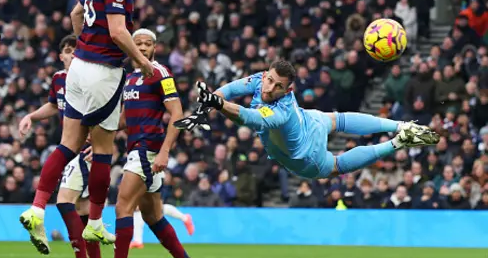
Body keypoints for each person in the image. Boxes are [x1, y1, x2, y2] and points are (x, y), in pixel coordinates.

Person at [19, 0, 155, 249]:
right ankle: (95, 222)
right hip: (101, 72)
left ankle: (37, 208)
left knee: (68, 144)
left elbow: (75, 14)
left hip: (77, 69)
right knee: (104, 150)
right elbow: (119, 32)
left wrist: (84, 45)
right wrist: (142, 62)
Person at [175, 60, 440, 180]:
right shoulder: (260, 81)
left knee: (336, 166)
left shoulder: (281, 111)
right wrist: (208, 105)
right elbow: (230, 90)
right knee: (338, 120)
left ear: (288, 90)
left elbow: (251, 118)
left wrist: (217, 104)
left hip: (307, 154)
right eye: (268, 79)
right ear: (265, 73)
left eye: (277, 86)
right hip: (309, 120)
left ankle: (397, 142)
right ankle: (400, 126)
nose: (268, 88)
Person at [85, 29, 204, 258]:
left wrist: (164, 152)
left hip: (147, 151)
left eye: (147, 44)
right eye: (137, 44)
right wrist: (100, 135)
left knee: (122, 208)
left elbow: (177, 114)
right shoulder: (130, 78)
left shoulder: (159, 73)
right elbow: (126, 120)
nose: (142, 47)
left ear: (154, 48)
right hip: (136, 149)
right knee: (153, 217)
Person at [18, 35, 104, 258]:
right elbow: (54, 106)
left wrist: (99, 144)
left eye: (76, 50)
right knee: (83, 210)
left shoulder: (90, 77)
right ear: (61, 56)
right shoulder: (58, 79)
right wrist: (32, 117)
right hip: (71, 149)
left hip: (85, 150)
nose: (73, 54)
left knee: (65, 201)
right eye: (68, 51)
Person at [130, 204, 195, 249]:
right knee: (139, 211)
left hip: (150, 187)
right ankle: (137, 241)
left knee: (156, 207)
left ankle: (185, 218)